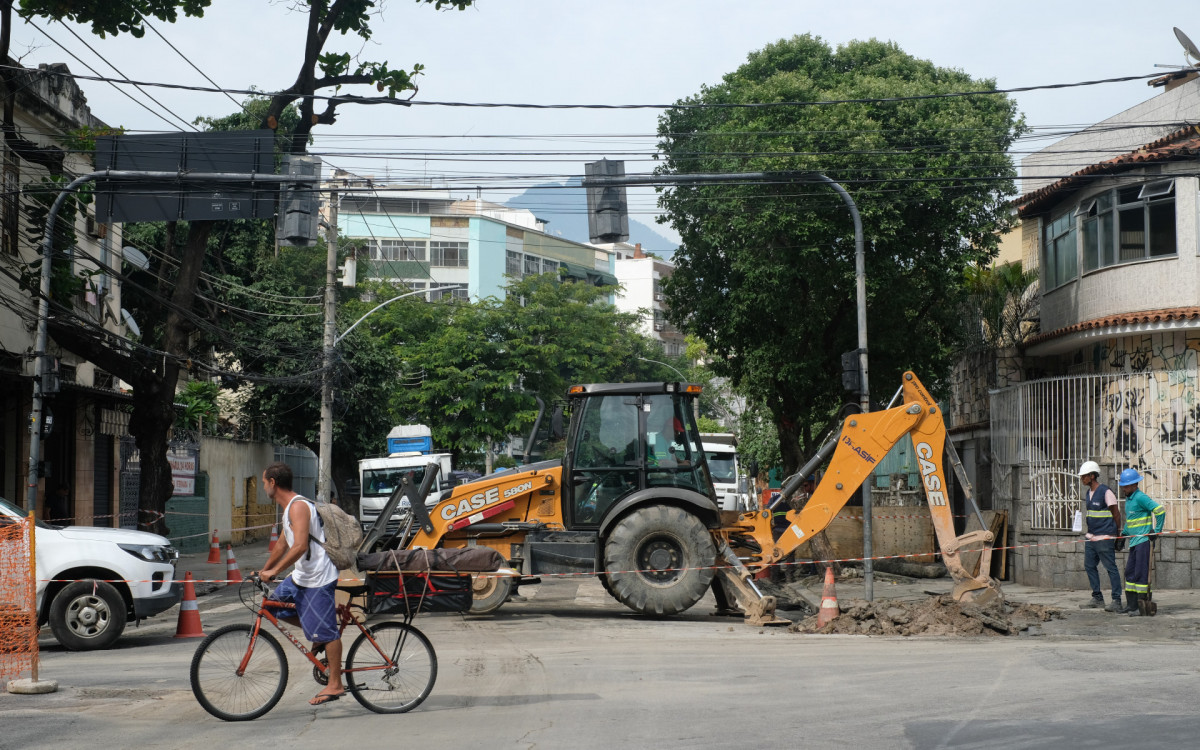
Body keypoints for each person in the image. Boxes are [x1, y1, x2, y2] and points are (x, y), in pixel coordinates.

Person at [257, 462, 345, 705]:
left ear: (273, 483)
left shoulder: (298, 507)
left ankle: (335, 684)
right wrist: (264, 570)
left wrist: (275, 570)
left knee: (327, 631)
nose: (264, 486)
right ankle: (316, 632)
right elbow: (282, 545)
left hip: (318, 577)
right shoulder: (288, 510)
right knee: (272, 606)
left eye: (264, 482)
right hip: (301, 577)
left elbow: (300, 546)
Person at [1117, 468, 1165, 617]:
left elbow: (1160, 510)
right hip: (1133, 541)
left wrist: (1156, 530)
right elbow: (1131, 520)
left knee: (1140, 574)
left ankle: (1141, 606)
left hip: (1144, 542)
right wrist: (1123, 535)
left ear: (1134, 485)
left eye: (1126, 486)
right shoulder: (1129, 500)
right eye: (1123, 486)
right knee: (1129, 573)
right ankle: (1131, 605)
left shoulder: (1140, 497)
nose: (1123, 488)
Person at [1077, 461, 1123, 612]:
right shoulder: (1088, 494)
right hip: (1091, 537)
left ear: (1092, 476)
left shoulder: (1106, 492)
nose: (1082, 479)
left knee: (1111, 568)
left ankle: (1116, 600)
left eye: (1084, 476)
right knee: (1089, 565)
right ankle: (1097, 597)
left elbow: (1116, 513)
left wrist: (1118, 533)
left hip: (1105, 537)